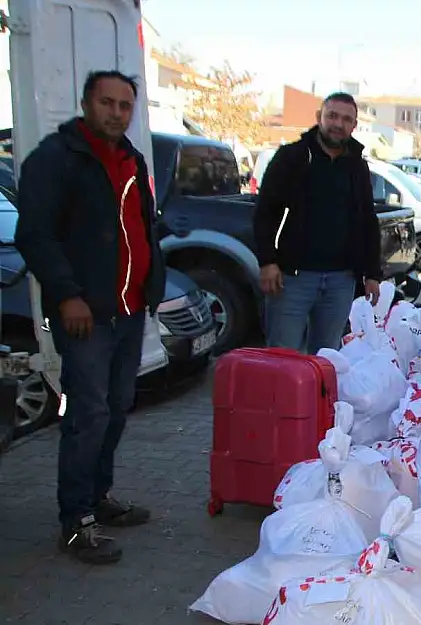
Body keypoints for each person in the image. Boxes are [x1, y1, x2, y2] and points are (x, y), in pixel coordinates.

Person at [15, 70, 167, 564]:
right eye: (107, 103)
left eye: (125, 105)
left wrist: (153, 284)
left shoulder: (131, 158)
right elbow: (35, 235)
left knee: (118, 404)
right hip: (85, 313)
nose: (116, 112)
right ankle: (75, 519)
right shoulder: (55, 159)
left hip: (127, 310)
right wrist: (67, 295)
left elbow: (142, 227)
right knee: (88, 414)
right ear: (86, 104)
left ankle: (99, 497)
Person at [253, 93, 382, 354]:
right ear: (319, 117)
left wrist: (372, 274)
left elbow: (367, 220)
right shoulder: (292, 157)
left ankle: (315, 398)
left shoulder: (357, 167)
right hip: (293, 279)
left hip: (341, 281)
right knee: (283, 357)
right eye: (332, 115)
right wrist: (267, 261)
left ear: (354, 126)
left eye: (346, 119)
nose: (338, 124)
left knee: (326, 359)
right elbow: (266, 211)